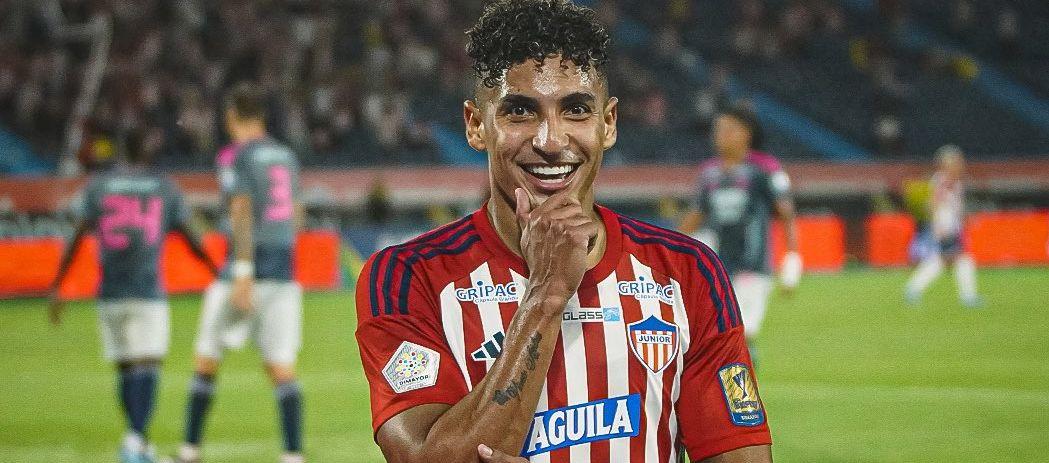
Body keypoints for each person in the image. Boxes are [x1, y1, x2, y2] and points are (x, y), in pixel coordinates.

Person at [354, 2, 772, 462]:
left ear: (608, 123)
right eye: (519, 112)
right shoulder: (407, 278)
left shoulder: (687, 272)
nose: (551, 141)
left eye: (575, 109)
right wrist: (546, 293)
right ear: (476, 125)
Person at [48, 130, 218, 463]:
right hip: (146, 291)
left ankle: (135, 439)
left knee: (126, 366)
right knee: (148, 363)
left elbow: (77, 234)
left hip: (110, 292)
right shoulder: (163, 187)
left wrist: (58, 284)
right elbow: (189, 237)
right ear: (147, 151)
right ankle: (136, 439)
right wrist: (215, 269)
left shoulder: (98, 186)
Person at [173, 83, 304, 463]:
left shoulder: (236, 156)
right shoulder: (286, 156)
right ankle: (294, 455)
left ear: (231, 116)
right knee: (281, 367)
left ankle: (189, 451)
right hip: (282, 273)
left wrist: (244, 271)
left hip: (242, 272)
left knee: (206, 359)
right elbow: (296, 214)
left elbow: (242, 209)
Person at [678, 105, 801, 358]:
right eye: (718, 130)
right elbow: (695, 215)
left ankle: (742, 393)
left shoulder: (764, 169)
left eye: (728, 129)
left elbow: (786, 213)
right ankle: (731, 391)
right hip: (719, 268)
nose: (720, 135)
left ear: (746, 134)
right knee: (718, 336)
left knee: (741, 333)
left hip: (753, 266)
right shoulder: (709, 173)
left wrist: (792, 258)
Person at [904, 145, 983, 308]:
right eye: (957, 161)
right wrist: (938, 226)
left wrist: (962, 220)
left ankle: (913, 288)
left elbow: (953, 206)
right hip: (945, 227)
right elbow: (933, 204)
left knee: (942, 261)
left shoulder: (953, 181)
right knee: (963, 260)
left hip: (951, 226)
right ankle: (968, 296)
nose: (961, 164)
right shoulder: (943, 180)